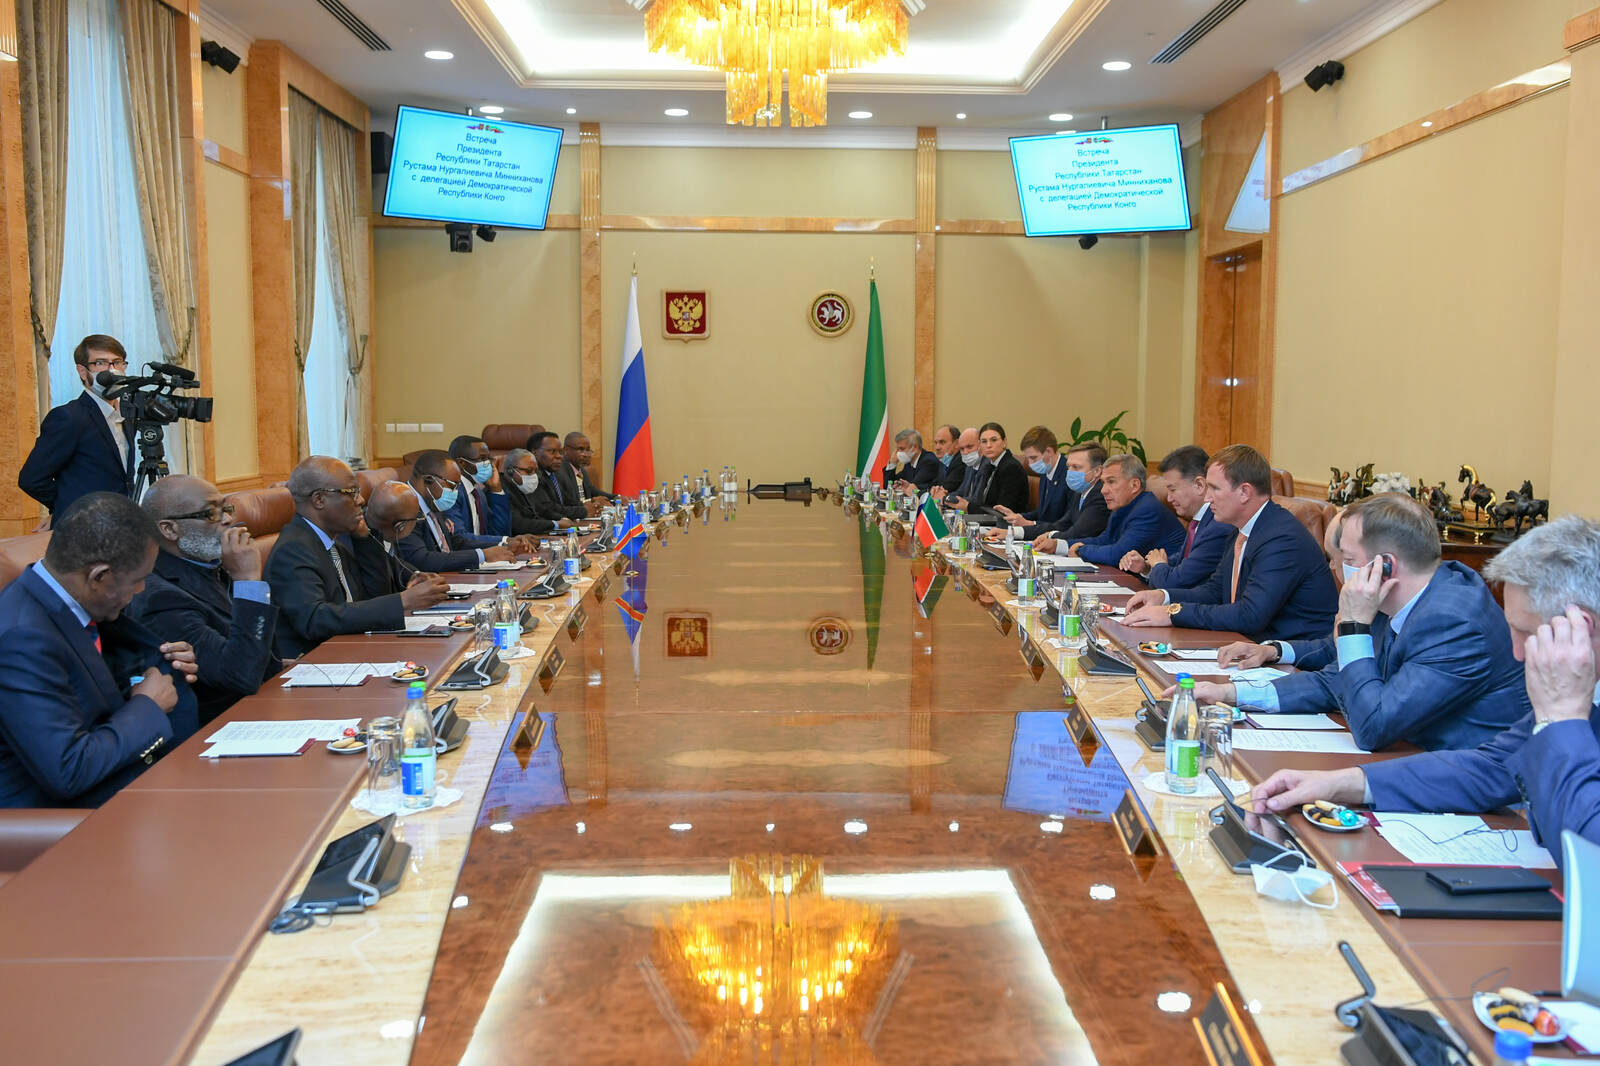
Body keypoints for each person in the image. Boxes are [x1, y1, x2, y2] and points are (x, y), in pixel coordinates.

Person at [1248, 516, 1600, 869]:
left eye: (1525, 632)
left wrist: (1562, 719)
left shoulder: (1564, 699)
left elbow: (1589, 846)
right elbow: (1490, 767)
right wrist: (1337, 784)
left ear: (1580, 627)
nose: (1517, 652)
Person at [1183, 494, 1528, 752]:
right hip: (1409, 755)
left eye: (1347, 558)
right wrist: (1231, 693)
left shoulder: (1452, 620)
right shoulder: (1392, 601)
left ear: (1385, 566)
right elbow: (1334, 681)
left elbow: (1372, 728)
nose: (1337, 568)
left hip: (1474, 792)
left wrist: (1353, 627)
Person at [0, 492, 201, 807]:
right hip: (74, 821)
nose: (141, 590)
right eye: (138, 580)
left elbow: (97, 696)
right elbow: (68, 769)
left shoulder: (71, 605)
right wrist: (148, 704)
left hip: (137, 784)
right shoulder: (23, 637)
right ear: (99, 576)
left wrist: (165, 666)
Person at [1122, 444, 1337, 641]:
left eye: (1214, 488)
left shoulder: (1281, 539)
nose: (1207, 498)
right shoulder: (1240, 530)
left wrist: (1173, 613)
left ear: (1244, 492)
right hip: (1249, 645)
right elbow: (1216, 591)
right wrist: (1164, 596)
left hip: (1295, 657)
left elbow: (1250, 615)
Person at [127, 476, 280, 725]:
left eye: (226, 508)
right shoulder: (160, 597)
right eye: (211, 513)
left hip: (263, 705)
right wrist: (249, 582)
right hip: (219, 726)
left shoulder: (213, 564)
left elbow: (266, 661)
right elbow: (239, 676)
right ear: (169, 529)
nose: (227, 519)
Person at [265, 457, 450, 659]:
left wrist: (364, 539)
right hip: (318, 660)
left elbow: (371, 596)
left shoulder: (333, 544)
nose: (361, 500)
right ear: (319, 500)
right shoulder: (293, 549)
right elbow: (315, 619)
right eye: (351, 492)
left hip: (352, 650)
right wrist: (403, 601)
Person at [18, 335, 137, 515]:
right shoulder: (68, 417)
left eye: (117, 362)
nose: (111, 370)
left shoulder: (128, 415)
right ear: (82, 371)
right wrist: (67, 509)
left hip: (122, 520)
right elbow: (31, 479)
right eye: (100, 363)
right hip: (84, 525)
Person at [1120, 445, 1234, 590]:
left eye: (1172, 489)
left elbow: (1177, 581)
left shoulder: (1217, 526)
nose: (1169, 498)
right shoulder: (1197, 521)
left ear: (1199, 485)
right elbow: (1181, 563)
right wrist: (1146, 567)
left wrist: (1158, 564)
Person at [398, 451, 530, 573]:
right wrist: (482, 555)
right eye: (452, 486)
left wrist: (503, 545)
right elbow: (421, 560)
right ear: (428, 480)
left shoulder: (432, 500)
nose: (455, 492)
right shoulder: (402, 508)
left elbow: (456, 542)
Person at [1041, 454, 1185, 566]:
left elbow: (1118, 554)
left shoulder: (1148, 510)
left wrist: (1081, 550)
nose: (1103, 490)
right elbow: (1104, 540)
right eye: (1103, 483)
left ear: (1134, 485)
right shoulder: (1123, 506)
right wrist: (1059, 545)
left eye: (1111, 482)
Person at [992, 426, 1074, 539]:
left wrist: (1031, 524)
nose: (1030, 464)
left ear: (1049, 451)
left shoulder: (1069, 475)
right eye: (1028, 459)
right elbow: (1042, 512)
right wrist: (1017, 516)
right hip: (1041, 534)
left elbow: (1065, 522)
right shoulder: (1046, 471)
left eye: (1034, 458)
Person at [947, 422, 1028, 517]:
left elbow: (1002, 511)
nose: (988, 445)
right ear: (980, 445)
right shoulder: (990, 465)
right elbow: (981, 502)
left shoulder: (1011, 467)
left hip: (1009, 523)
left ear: (1004, 442)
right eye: (984, 441)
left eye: (994, 440)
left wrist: (969, 507)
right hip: (988, 520)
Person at [529, 431, 604, 523]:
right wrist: (583, 511)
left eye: (560, 452)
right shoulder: (533, 477)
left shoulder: (553, 474)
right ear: (535, 452)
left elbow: (568, 502)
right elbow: (549, 509)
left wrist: (592, 505)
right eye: (552, 451)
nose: (559, 456)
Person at [445, 435, 511, 538]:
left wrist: (496, 490)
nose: (488, 464)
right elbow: (460, 538)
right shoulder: (452, 492)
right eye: (482, 459)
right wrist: (505, 541)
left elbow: (499, 532)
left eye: (488, 458)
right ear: (461, 463)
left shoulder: (478, 492)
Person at [501, 448, 570, 536]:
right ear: (510, 471)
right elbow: (518, 524)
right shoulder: (501, 490)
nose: (533, 476)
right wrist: (555, 524)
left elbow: (541, 511)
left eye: (536, 471)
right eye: (529, 471)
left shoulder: (523, 487)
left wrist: (562, 519)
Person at [560, 432, 617, 504]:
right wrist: (592, 501)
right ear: (566, 450)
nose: (586, 454)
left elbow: (594, 492)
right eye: (581, 449)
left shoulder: (581, 470)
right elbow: (568, 503)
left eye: (588, 450)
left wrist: (616, 498)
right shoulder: (560, 472)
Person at [931, 427, 980, 504]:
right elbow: (961, 492)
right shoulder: (970, 467)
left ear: (981, 445)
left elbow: (976, 500)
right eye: (962, 449)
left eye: (969, 447)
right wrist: (938, 492)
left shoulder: (986, 466)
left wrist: (944, 498)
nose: (965, 452)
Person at [883, 429, 941, 494]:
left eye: (902, 449)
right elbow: (888, 486)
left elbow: (912, 488)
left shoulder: (929, 461)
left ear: (915, 447)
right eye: (897, 449)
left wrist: (901, 487)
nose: (898, 452)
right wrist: (892, 464)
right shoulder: (909, 463)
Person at [930, 424, 965, 494]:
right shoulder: (942, 463)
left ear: (957, 443)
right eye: (936, 443)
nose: (937, 447)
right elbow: (934, 485)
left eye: (942, 442)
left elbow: (945, 488)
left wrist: (918, 492)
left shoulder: (961, 461)